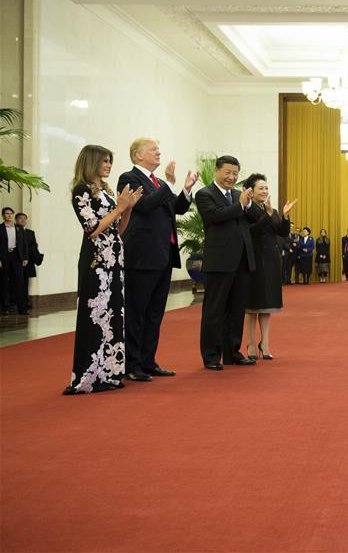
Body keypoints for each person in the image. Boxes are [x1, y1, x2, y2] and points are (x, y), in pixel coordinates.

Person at [117, 137, 198, 382]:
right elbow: (144, 206)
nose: (158, 153)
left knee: (155, 313)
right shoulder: (129, 178)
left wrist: (185, 189)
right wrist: (169, 185)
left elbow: (177, 208)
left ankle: (148, 361)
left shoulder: (160, 183)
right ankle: (132, 364)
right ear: (138, 155)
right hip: (141, 256)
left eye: (159, 149)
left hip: (163, 255)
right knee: (137, 312)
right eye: (153, 149)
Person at [66, 144, 142, 394]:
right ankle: (88, 376)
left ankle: (109, 373)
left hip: (115, 259)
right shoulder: (81, 190)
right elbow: (92, 229)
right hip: (95, 261)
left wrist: (128, 208)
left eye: (110, 161)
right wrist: (119, 207)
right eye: (104, 161)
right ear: (92, 162)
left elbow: (118, 229)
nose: (109, 165)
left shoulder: (107, 192)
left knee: (114, 313)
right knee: (95, 315)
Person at [195, 155, 262, 370]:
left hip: (242, 261)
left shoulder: (237, 195)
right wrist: (240, 205)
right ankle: (211, 355)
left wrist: (248, 203)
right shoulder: (205, 194)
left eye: (235, 173)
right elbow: (215, 216)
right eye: (228, 172)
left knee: (236, 309)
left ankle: (232, 352)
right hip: (219, 262)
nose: (232, 177)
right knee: (214, 310)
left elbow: (256, 217)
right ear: (217, 171)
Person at [243, 173, 296, 360]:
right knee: (252, 307)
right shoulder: (247, 208)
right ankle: (251, 343)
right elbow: (254, 231)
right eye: (261, 188)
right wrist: (267, 214)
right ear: (251, 191)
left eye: (266, 188)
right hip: (254, 262)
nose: (265, 191)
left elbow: (282, 232)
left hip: (272, 261)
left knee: (267, 306)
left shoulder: (271, 210)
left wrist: (285, 216)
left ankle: (264, 343)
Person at [1, 206, 30, 315]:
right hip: (4, 257)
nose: (9, 215)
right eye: (7, 213)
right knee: (4, 282)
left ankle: (22, 309)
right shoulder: (0, 228)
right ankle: (5, 308)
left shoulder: (19, 228)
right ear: (3, 215)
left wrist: (25, 257)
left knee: (20, 282)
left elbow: (24, 244)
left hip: (17, 257)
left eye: (11, 213)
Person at [14, 213, 42, 310]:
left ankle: (25, 302)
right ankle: (14, 303)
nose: (23, 220)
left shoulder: (30, 232)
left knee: (25, 282)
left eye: (24, 218)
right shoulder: (13, 231)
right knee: (15, 282)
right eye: (20, 218)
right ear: (16, 220)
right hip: (16, 261)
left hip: (28, 261)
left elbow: (34, 245)